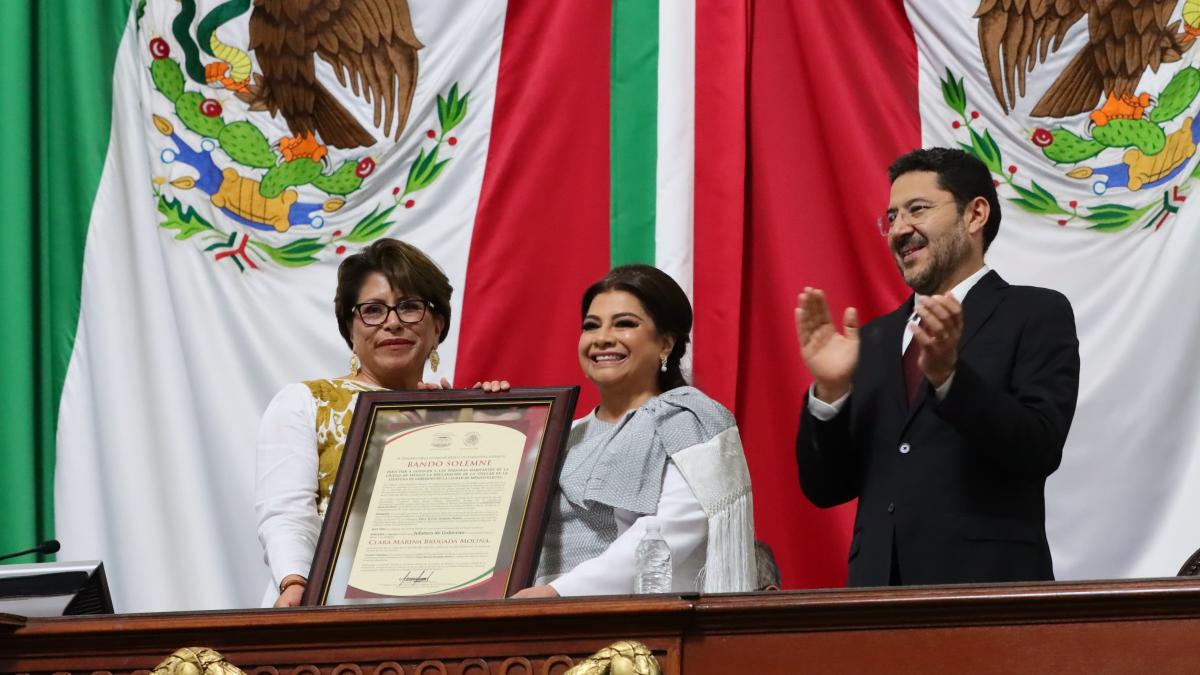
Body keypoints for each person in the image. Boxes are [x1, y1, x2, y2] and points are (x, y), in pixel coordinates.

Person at [794, 147, 1080, 586]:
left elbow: (1038, 447)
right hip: (877, 604)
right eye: (890, 217)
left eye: (917, 210)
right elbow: (826, 488)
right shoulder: (871, 339)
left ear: (975, 215)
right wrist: (830, 395)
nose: (899, 230)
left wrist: (951, 379)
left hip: (988, 597)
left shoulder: (1035, 313)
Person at [255, 239, 507, 607]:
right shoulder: (307, 402)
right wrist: (295, 583)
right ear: (349, 328)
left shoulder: (462, 414)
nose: (392, 323)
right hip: (323, 605)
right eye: (372, 310)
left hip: (442, 610)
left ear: (437, 326)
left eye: (409, 308)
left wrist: (504, 418)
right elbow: (286, 512)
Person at [513, 265, 756, 597]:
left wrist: (559, 592)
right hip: (531, 614)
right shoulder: (557, 435)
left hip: (637, 621)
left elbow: (669, 531)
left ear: (665, 344)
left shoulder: (688, 419)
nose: (602, 338)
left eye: (625, 324)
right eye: (591, 326)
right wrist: (473, 414)